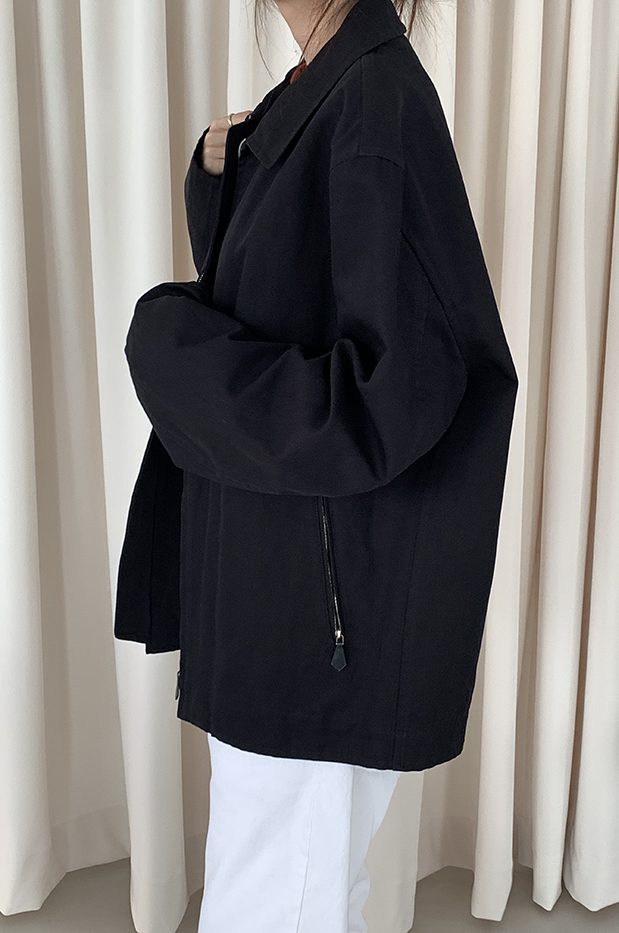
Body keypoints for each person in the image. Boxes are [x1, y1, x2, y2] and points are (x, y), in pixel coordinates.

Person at [114, 0, 518, 929]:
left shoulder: (373, 102)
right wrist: (222, 173)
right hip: (291, 588)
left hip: (320, 612)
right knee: (300, 890)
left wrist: (172, 351)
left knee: (277, 897)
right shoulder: (323, 91)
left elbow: (393, 391)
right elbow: (288, 293)